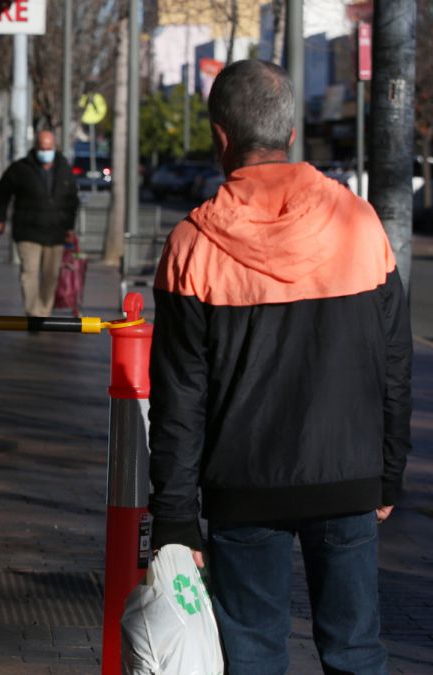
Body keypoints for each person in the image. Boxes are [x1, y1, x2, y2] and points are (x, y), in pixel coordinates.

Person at [147, 60, 411, 674]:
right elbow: (394, 364)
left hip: (244, 489)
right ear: (290, 134)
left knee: (253, 655)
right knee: (355, 652)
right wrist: (388, 473)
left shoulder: (193, 245)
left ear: (220, 137)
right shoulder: (361, 224)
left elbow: (179, 398)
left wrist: (176, 516)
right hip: (347, 479)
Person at [0, 130, 79, 316]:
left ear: (54, 147)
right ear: (36, 147)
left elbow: (72, 201)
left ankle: (44, 312)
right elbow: (2, 192)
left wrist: (70, 227)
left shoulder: (64, 169)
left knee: (50, 276)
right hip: (28, 232)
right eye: (42, 147)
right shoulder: (20, 169)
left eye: (49, 148)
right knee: (29, 273)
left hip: (56, 233)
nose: (46, 151)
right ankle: (34, 314)